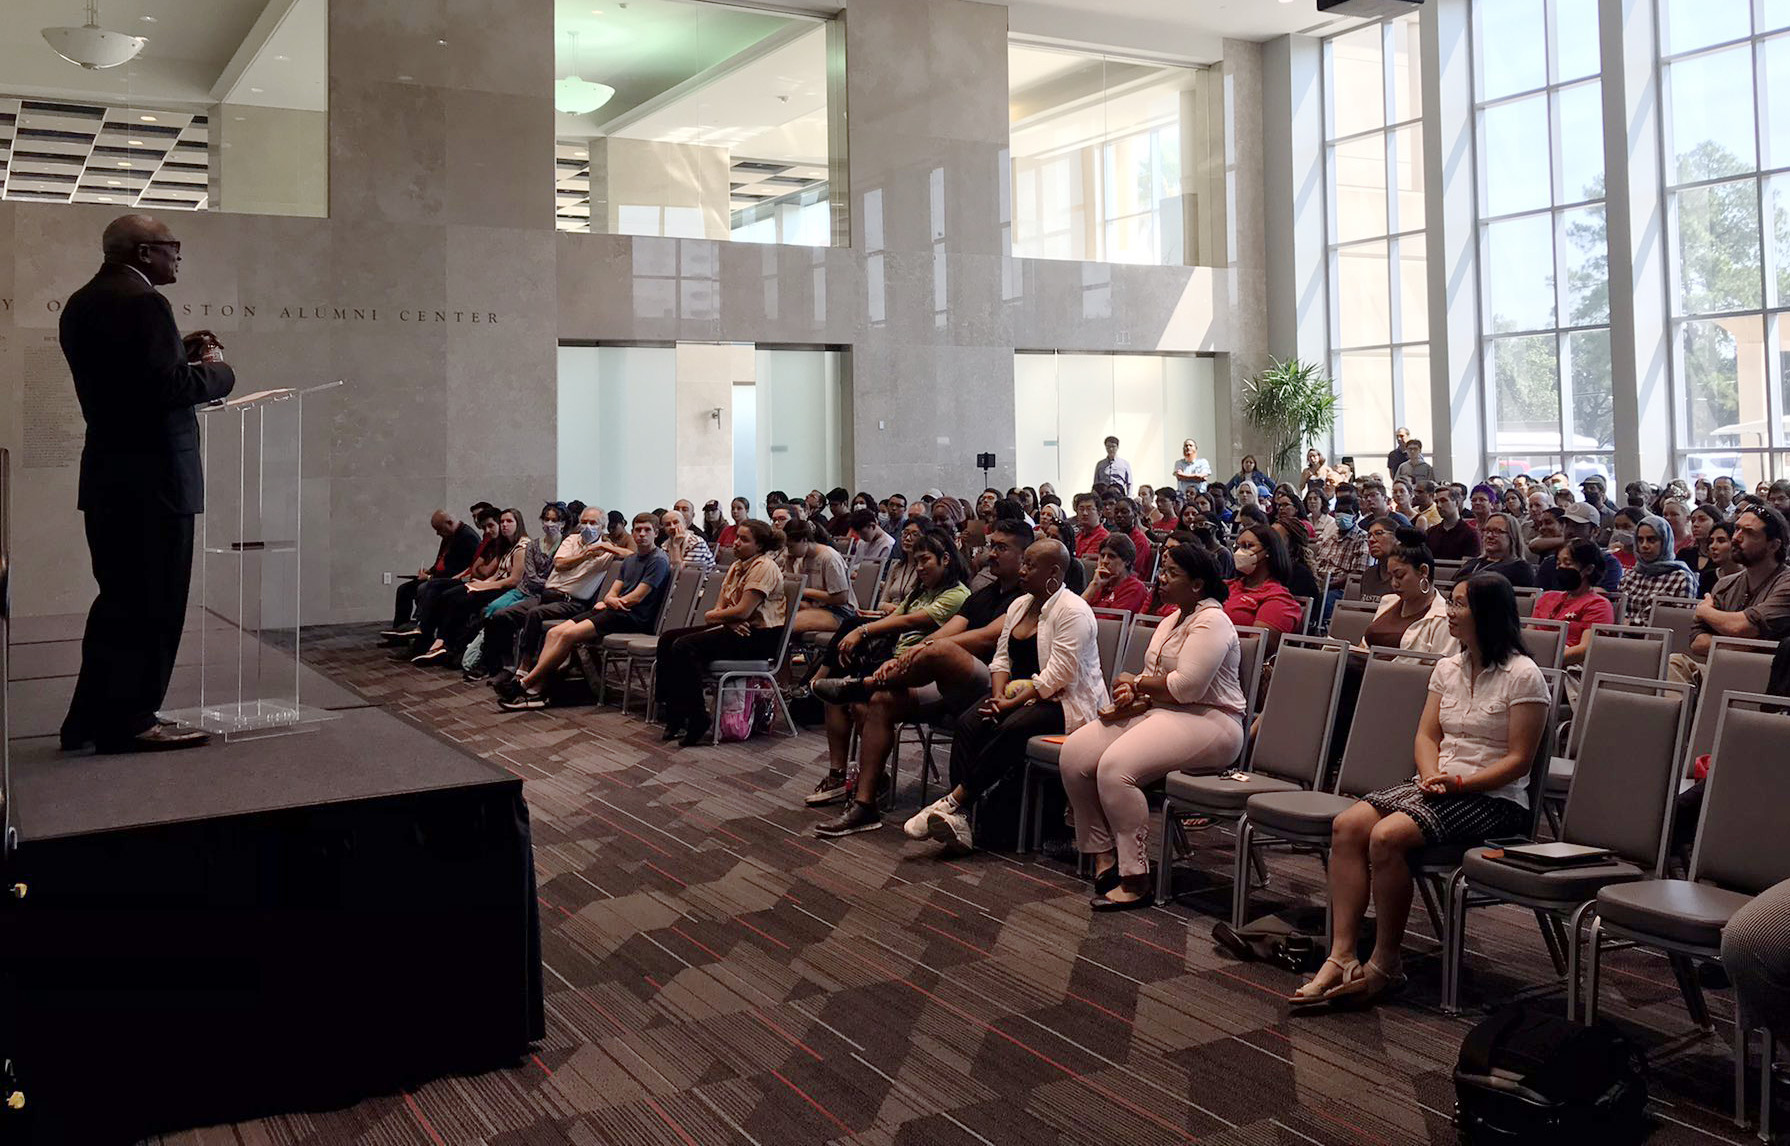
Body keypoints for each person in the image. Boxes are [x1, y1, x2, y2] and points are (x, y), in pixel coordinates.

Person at [1291, 574, 1549, 1008]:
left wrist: (1459, 783)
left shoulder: (1523, 675)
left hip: (1495, 800)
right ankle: (1341, 955)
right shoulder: (1448, 667)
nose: (1450, 611)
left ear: (1487, 614)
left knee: (1387, 836)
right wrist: (1431, 776)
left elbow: (1519, 761)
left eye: (1460, 605)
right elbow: (1426, 737)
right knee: (1348, 825)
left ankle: (1386, 962)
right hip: (1440, 785)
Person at [56, 214, 237, 752]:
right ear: (141, 252)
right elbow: (168, 388)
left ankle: (87, 719)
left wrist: (176, 347)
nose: (178, 257)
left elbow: (127, 382)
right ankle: (132, 720)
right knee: (154, 607)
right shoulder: (144, 303)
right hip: (156, 483)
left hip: (112, 480)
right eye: (171, 247)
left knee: (118, 604)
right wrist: (219, 369)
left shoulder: (83, 301)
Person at [1059, 545, 1248, 909]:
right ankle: (1103, 855)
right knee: (1075, 755)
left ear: (1197, 584)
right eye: (1163, 570)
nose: (1161, 578)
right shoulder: (1170, 619)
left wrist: (1138, 681)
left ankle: (1136, 877)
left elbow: (1186, 687)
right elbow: (1159, 679)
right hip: (1165, 712)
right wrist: (1133, 688)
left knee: (1115, 769)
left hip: (1213, 722)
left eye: (1172, 573)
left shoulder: (1213, 621)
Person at [808, 519, 1033, 811]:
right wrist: (912, 655)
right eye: (992, 546)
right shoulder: (982, 595)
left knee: (939, 649)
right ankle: (865, 803)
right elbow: (950, 629)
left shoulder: (1025, 600)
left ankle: (863, 684)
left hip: (991, 685)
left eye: (1002, 548)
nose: (991, 554)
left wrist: (925, 650)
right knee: (880, 700)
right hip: (944, 683)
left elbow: (987, 638)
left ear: (1024, 556)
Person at [903, 538, 1108, 852]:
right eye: (1023, 563)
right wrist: (998, 697)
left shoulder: (1073, 611)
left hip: (1066, 703)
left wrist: (1008, 704)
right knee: (971, 721)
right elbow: (1001, 659)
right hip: (1019, 694)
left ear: (1054, 572)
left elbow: (1059, 676)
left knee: (1009, 725)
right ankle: (966, 820)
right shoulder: (1019, 605)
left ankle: (956, 802)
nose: (1022, 571)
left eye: (1030, 566)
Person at [812, 531, 972, 835]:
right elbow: (896, 616)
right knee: (846, 699)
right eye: (916, 561)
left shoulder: (957, 594)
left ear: (946, 559)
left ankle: (866, 802)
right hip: (895, 668)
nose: (920, 567)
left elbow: (911, 623)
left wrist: (864, 632)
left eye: (925, 560)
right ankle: (843, 778)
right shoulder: (919, 592)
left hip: (931, 678)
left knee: (873, 699)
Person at [498, 514, 672, 709]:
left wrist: (613, 601)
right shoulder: (631, 560)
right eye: (638, 530)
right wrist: (611, 600)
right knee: (555, 632)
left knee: (568, 635)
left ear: (656, 533)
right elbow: (612, 592)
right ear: (632, 532)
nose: (642, 534)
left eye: (647, 530)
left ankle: (526, 684)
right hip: (615, 610)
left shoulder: (658, 560)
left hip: (634, 617)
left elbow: (636, 598)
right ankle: (535, 688)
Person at [653, 519, 788, 747]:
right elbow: (722, 608)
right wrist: (727, 619)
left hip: (760, 637)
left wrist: (720, 617)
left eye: (744, 540)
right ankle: (674, 713)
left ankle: (698, 717)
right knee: (668, 639)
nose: (736, 543)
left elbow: (743, 610)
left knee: (685, 646)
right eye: (737, 538)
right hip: (737, 628)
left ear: (760, 546)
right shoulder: (737, 566)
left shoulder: (764, 567)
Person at [479, 505, 619, 680]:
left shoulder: (607, 551)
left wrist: (608, 547)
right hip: (548, 594)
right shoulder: (571, 541)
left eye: (593, 523)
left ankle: (524, 666)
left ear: (602, 527)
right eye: (584, 522)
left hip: (572, 602)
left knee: (535, 614)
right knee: (501, 615)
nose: (587, 527)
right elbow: (560, 564)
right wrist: (586, 554)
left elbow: (634, 554)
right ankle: (503, 666)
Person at [411, 508, 529, 664]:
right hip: (496, 584)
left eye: (509, 521)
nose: (504, 525)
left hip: (507, 590)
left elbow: (513, 580)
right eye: (502, 522)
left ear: (518, 523)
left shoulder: (522, 546)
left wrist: (486, 585)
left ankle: (448, 645)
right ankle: (439, 641)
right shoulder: (505, 545)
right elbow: (486, 571)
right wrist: (482, 583)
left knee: (459, 599)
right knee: (448, 594)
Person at [1684, 506, 1790, 665]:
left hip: (1768, 675)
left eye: (1749, 532)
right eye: (1737, 529)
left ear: (1773, 545)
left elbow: (1742, 627)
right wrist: (1749, 645)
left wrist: (1704, 611)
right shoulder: (1725, 584)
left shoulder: (1786, 582)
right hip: (1723, 669)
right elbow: (1698, 643)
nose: (1736, 538)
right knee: (1677, 663)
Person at [382, 510, 483, 640]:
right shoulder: (448, 536)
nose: (437, 533)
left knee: (424, 588)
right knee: (404, 590)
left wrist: (430, 578)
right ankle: (400, 630)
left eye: (439, 529)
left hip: (451, 580)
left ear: (450, 523)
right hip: (438, 577)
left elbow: (462, 570)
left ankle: (422, 632)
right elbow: (441, 562)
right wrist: (429, 571)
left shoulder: (468, 538)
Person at [1355, 531, 1459, 657]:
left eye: (1399, 576)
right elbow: (1364, 646)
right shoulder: (1388, 601)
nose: (1394, 584)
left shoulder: (1444, 617)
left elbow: (1440, 668)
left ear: (1423, 571)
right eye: (1391, 576)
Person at [1532, 539, 1614, 665]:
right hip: (1533, 663)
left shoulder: (1599, 605)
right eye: (1559, 563)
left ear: (1588, 569)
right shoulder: (1547, 597)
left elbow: (1585, 649)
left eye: (1568, 563)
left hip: (1567, 668)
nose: (1561, 568)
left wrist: (1544, 660)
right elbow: (1529, 635)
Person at [1225, 524, 1304, 636]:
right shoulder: (1226, 585)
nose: (1239, 552)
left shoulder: (1279, 600)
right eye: (1237, 547)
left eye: (1247, 546)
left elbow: (1256, 647)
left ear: (1268, 552)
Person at [1617, 514, 1696, 625]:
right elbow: (1618, 614)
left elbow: (1677, 623)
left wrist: (1630, 624)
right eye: (1640, 540)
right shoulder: (1630, 576)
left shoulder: (1681, 577)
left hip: (1660, 639)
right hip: (1620, 638)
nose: (1644, 545)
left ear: (1665, 541)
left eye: (1651, 540)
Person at [782, 519, 855, 637]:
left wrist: (804, 591)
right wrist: (789, 566)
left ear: (805, 540)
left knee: (789, 623)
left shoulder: (829, 558)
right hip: (816, 606)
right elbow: (794, 592)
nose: (789, 551)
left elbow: (841, 598)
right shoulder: (801, 559)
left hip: (840, 612)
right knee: (774, 615)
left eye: (791, 546)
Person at [1456, 512, 1534, 586]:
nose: (1489, 536)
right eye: (1487, 530)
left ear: (1512, 536)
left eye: (1497, 531)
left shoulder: (1520, 569)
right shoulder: (1471, 563)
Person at [1083, 533, 1151, 613]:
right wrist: (1093, 585)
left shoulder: (1135, 588)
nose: (1104, 561)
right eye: (1102, 556)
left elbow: (1111, 622)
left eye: (1111, 556)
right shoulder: (1098, 584)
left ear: (1127, 561)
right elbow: (1074, 613)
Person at [1423, 485, 1481, 561]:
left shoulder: (1470, 533)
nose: (1439, 505)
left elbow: (1467, 566)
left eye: (1444, 501)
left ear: (1456, 503)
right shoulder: (1430, 533)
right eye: (1436, 502)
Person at [1071, 493, 1110, 558]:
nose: (1084, 513)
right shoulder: (1077, 535)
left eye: (1089, 509)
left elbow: (1086, 563)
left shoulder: (1103, 537)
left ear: (1099, 513)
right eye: (1081, 509)